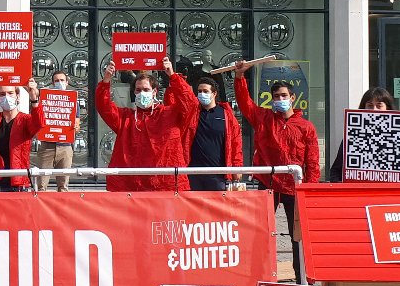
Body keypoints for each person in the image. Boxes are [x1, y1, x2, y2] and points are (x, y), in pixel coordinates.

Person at [233, 64, 321, 284]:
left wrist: (309, 189)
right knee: (261, 234)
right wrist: (239, 76)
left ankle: (302, 279)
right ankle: (258, 277)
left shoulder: (306, 127)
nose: (279, 99)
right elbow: (245, 104)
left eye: (283, 95)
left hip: (294, 188)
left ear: (292, 97)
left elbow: (312, 161)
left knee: (297, 237)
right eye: (275, 96)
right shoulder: (264, 119)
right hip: (268, 185)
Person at [96, 58, 191, 192]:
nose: (142, 93)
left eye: (146, 89)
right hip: (132, 185)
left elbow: (189, 102)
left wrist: (172, 76)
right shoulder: (126, 118)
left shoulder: (170, 114)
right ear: (134, 93)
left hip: (164, 184)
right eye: (138, 90)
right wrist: (106, 81)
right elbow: (104, 106)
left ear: (154, 92)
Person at [327, 88, 400, 183]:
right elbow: (336, 172)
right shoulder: (352, 137)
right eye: (370, 105)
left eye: (379, 106)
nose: (374, 110)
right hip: (360, 197)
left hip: (391, 197)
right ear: (363, 108)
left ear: (388, 108)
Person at [184, 75, 243, 191]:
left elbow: (236, 142)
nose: (201, 94)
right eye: (199, 91)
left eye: (205, 91)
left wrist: (237, 167)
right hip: (193, 173)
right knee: (193, 209)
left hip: (218, 174)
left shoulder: (226, 115)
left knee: (217, 208)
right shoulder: (192, 114)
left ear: (214, 94)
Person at [33, 69, 78, 192]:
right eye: (56, 81)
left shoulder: (73, 100)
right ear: (52, 83)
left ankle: (61, 211)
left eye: (62, 80)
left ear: (67, 82)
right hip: (47, 146)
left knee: (63, 187)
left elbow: (77, 124)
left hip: (65, 148)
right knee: (41, 186)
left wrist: (75, 127)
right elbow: (34, 94)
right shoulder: (45, 97)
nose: (59, 83)